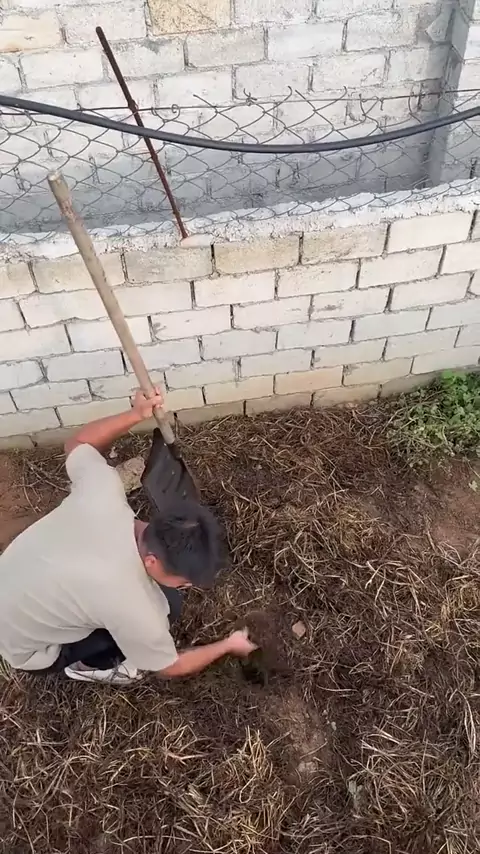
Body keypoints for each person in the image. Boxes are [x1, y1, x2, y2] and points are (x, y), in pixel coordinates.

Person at [0, 389, 256, 685]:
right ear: (151, 560)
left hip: (13, 578)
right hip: (24, 646)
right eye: (185, 582)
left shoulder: (102, 492)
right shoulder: (134, 607)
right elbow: (170, 666)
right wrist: (229, 645)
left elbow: (78, 444)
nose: (187, 586)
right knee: (165, 609)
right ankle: (91, 666)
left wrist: (136, 415)